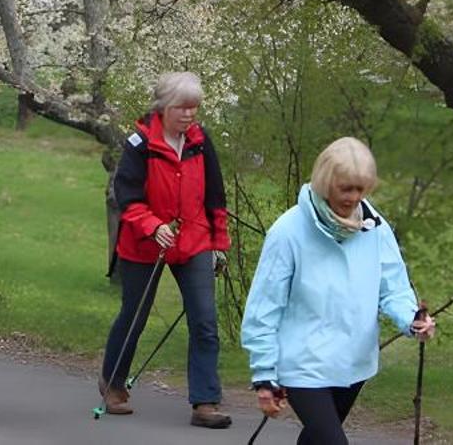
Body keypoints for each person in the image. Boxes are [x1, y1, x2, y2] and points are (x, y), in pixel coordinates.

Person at [241, 137, 433, 445]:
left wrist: (412, 319)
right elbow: (265, 306)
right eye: (346, 188)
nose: (354, 197)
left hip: (353, 364)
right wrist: (264, 375)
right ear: (326, 182)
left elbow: (394, 287)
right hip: (303, 363)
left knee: (317, 441)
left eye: (361, 189)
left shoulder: (375, 227)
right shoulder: (288, 231)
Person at [100, 71, 232, 428]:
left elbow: (216, 198)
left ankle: (205, 401)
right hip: (144, 244)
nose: (189, 115)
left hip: (194, 242)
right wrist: (153, 225)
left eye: (194, 107)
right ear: (163, 107)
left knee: (205, 320)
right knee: (134, 316)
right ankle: (113, 384)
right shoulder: (140, 143)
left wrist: (219, 245)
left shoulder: (201, 143)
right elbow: (126, 196)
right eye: (182, 107)